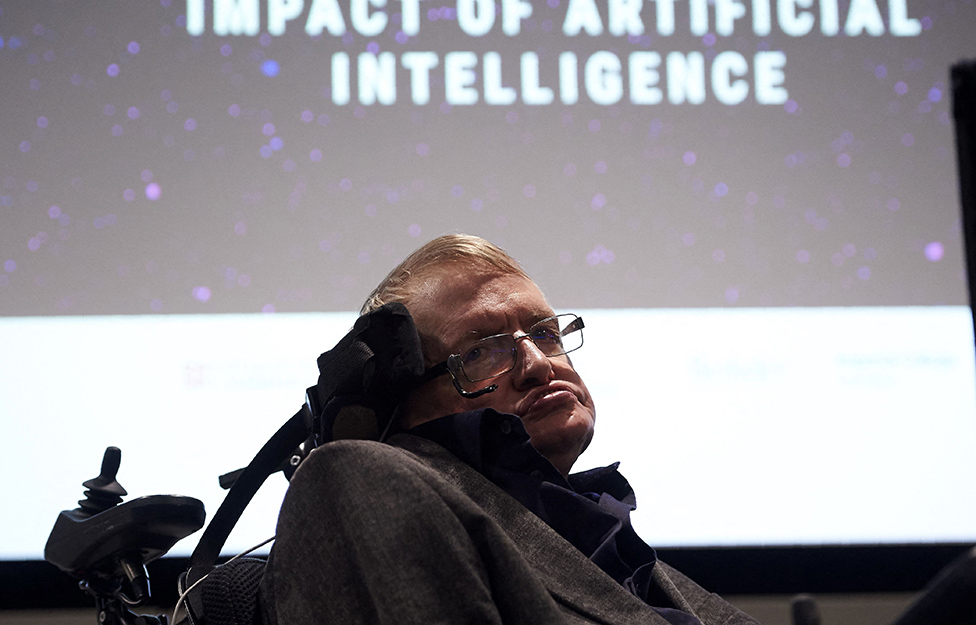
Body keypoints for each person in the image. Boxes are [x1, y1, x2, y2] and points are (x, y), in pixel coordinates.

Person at [259, 234, 759, 625]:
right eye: (481, 351)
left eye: (545, 333)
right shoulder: (357, 480)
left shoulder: (606, 539)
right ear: (397, 405)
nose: (539, 365)